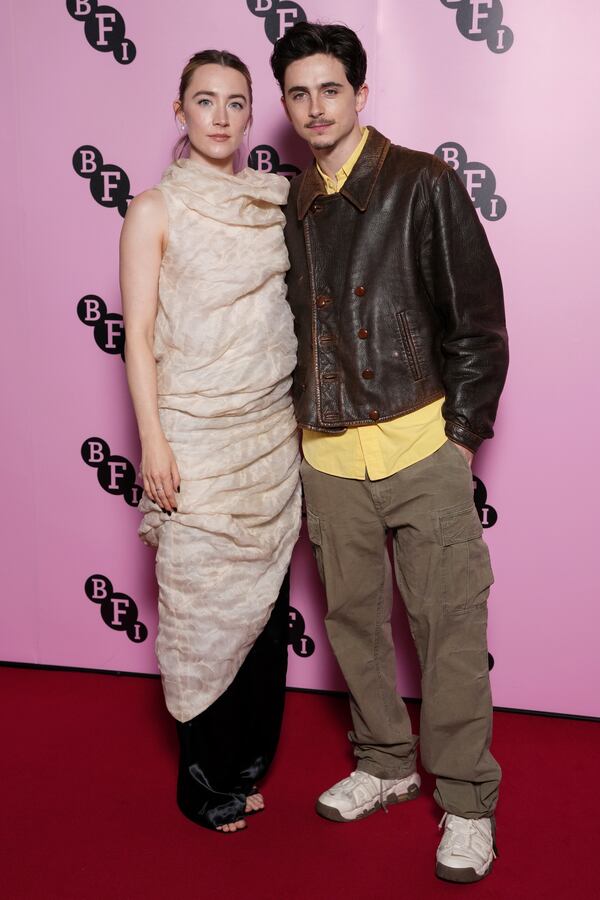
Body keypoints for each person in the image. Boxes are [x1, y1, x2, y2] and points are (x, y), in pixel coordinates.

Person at [270, 22, 508, 882]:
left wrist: (458, 441)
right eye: (298, 93)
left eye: (329, 89)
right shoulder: (292, 202)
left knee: (448, 631)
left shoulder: (422, 181)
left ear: (361, 94)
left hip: (420, 446)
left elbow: (479, 325)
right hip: (327, 459)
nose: (314, 107)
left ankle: (468, 802)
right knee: (354, 628)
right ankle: (384, 762)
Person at [119, 50, 301, 833]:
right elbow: (136, 338)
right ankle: (204, 783)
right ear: (179, 111)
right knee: (203, 609)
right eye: (205, 100)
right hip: (193, 435)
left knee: (262, 611)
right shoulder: (153, 209)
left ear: (251, 112)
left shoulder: (272, 202)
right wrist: (153, 443)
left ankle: (249, 762)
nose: (221, 116)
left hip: (268, 437)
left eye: (236, 102)